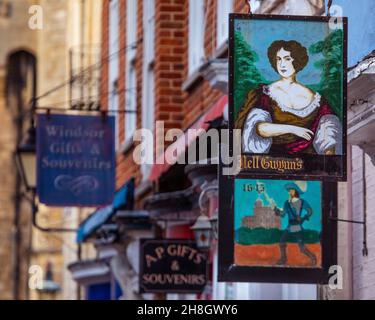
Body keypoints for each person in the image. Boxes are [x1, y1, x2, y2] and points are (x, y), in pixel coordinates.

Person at [235, 40, 342, 155]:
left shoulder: (316, 99)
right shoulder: (266, 93)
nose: (282, 64)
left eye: (287, 59)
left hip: (310, 165)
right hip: (273, 163)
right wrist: (294, 129)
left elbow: (329, 130)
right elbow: (259, 128)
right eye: (278, 59)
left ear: (297, 60)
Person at [273, 182, 317, 266]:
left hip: (298, 227)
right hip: (289, 227)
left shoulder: (302, 202)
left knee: (302, 248)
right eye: (289, 190)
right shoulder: (286, 203)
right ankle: (283, 259)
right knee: (282, 242)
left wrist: (304, 217)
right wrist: (277, 211)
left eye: (291, 190)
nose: (289, 192)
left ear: (296, 191)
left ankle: (312, 257)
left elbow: (310, 211)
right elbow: (283, 214)